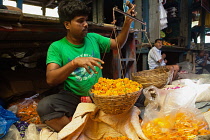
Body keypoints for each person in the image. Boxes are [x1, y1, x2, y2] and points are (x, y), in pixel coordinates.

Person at [37, 0, 137, 132]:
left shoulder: (93, 38)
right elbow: (51, 79)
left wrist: (127, 24)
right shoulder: (57, 47)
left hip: (99, 95)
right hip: (73, 96)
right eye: (80, 21)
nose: (85, 25)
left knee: (136, 96)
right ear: (67, 24)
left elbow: (117, 44)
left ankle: (94, 126)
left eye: (86, 20)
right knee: (45, 107)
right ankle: (79, 131)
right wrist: (74, 63)